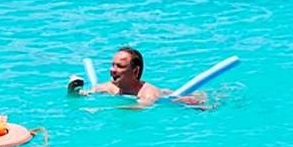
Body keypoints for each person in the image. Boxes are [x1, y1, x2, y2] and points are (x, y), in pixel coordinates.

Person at [67, 47, 204, 107]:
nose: (112, 70)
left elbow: (137, 109)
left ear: (135, 71)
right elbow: (85, 94)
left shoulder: (148, 93)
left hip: (174, 101)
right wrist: (73, 90)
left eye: (119, 66)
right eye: (112, 65)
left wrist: (105, 110)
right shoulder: (110, 88)